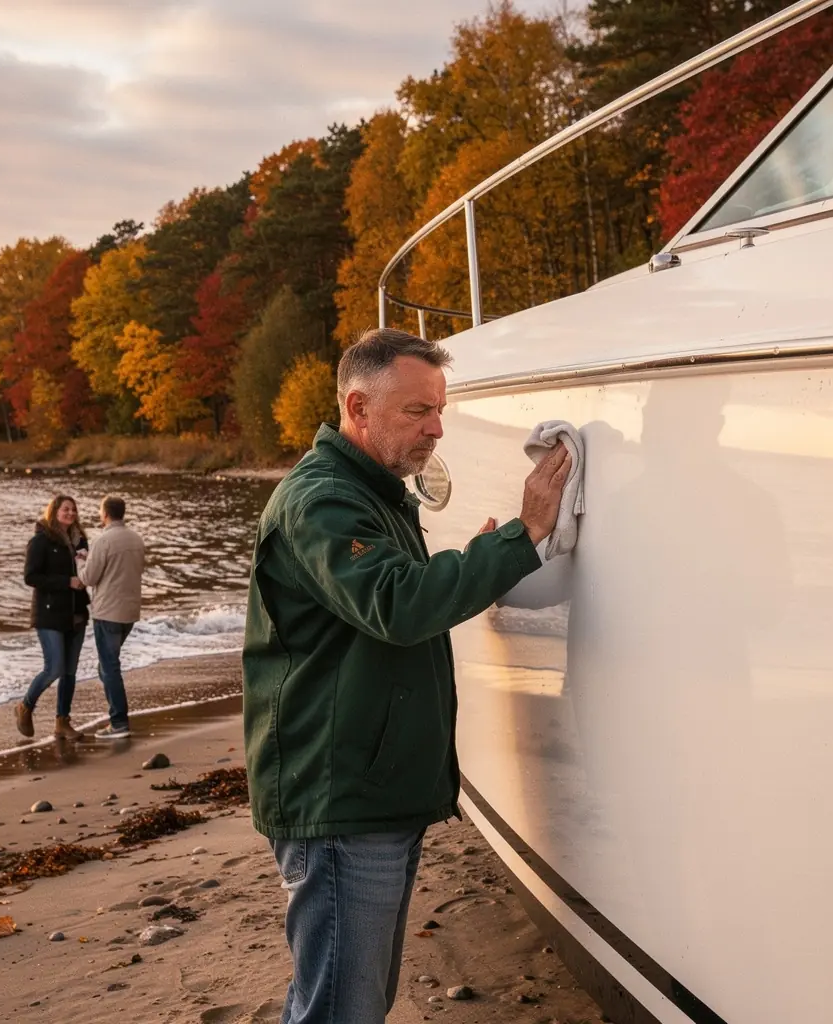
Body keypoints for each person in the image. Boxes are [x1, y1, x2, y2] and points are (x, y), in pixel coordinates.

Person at [242, 328, 571, 1024]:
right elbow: (397, 604)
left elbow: (393, 596)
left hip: (368, 788)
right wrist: (523, 534)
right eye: (418, 412)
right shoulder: (323, 501)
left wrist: (484, 555)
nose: (437, 428)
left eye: (439, 409)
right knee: (343, 1009)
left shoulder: (373, 494)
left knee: (351, 1000)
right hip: (339, 797)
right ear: (358, 409)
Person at [15, 494, 90, 741]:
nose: (70, 513)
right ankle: (25, 706)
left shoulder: (81, 541)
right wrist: (65, 582)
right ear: (54, 511)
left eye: (73, 510)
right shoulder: (41, 541)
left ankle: (62, 723)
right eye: (65, 509)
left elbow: (87, 571)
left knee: (69, 671)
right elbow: (31, 577)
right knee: (55, 667)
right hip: (49, 614)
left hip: (77, 613)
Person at [78, 495, 145, 740]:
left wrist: (79, 562)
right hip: (130, 612)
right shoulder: (136, 539)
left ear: (105, 513)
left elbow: (88, 578)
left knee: (110, 667)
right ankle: (117, 717)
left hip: (108, 613)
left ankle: (118, 722)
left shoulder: (103, 540)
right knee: (107, 666)